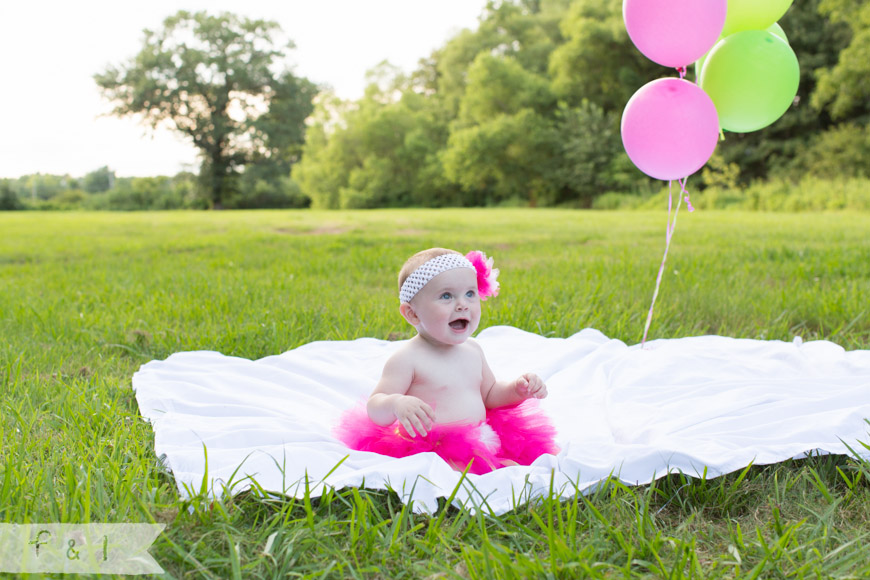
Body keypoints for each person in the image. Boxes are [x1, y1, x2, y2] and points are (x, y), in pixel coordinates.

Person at [335, 248, 559, 474]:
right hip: (435, 447)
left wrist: (517, 389)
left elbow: (490, 395)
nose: (462, 304)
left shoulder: (473, 350)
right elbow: (375, 405)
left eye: (470, 294)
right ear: (412, 314)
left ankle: (500, 470)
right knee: (462, 473)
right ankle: (496, 474)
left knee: (524, 460)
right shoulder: (407, 358)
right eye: (446, 296)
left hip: (481, 435)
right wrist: (395, 404)